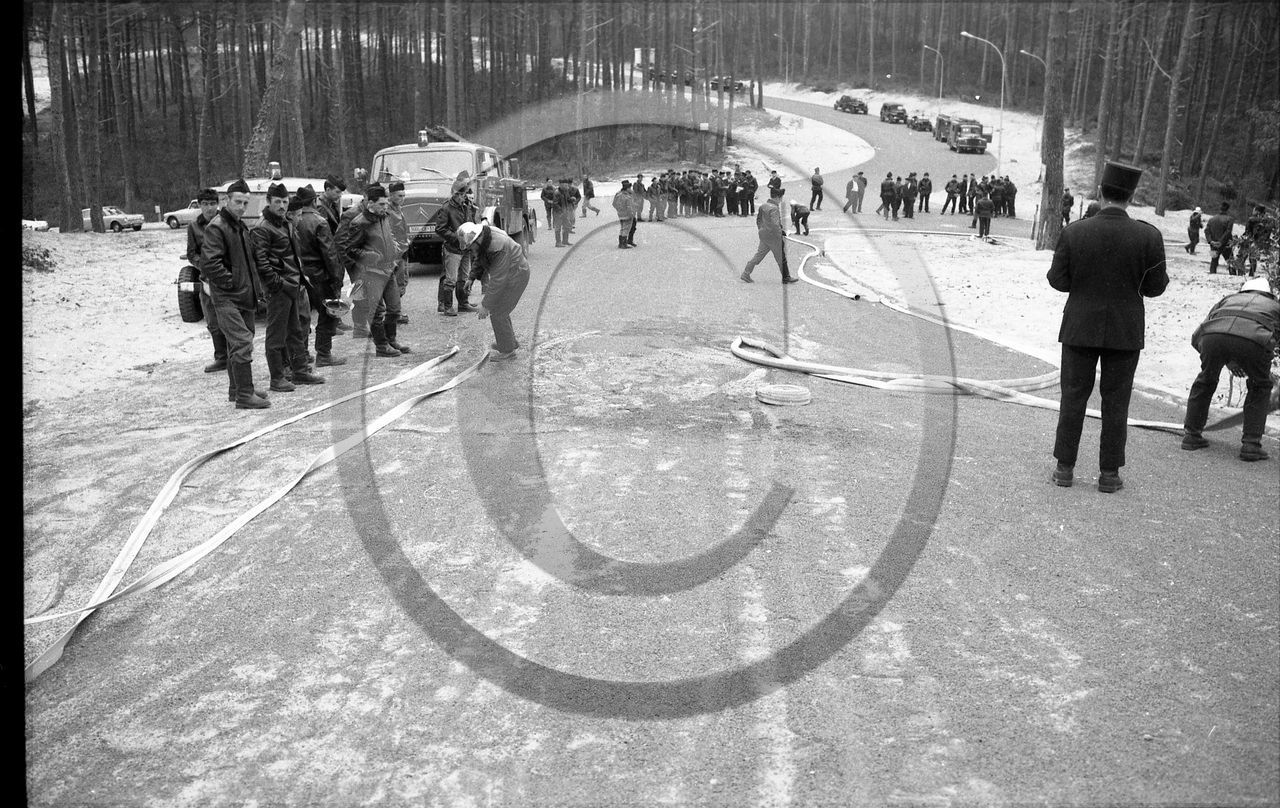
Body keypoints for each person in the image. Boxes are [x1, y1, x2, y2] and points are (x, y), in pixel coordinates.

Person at [1047, 161, 1169, 493]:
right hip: (1125, 330)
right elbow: (1156, 288)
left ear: (1100, 192)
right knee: (1116, 402)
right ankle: (1109, 474)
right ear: (1131, 196)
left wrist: (1083, 284)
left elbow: (1057, 280)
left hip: (1079, 327)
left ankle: (1064, 468)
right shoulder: (1149, 235)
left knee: (1073, 397)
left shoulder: (1075, 231)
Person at [1181, 276, 1279, 462]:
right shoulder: (1275, 306)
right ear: (1269, 294)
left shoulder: (1227, 300)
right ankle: (1251, 445)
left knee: (1205, 381)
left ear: (1243, 291)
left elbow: (1197, 336)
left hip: (1212, 337)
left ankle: (1191, 436)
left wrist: (1227, 359)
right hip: (1255, 340)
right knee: (1260, 387)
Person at [201, 179, 269, 409]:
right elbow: (210, 263)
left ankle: (238, 389)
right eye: (238, 202)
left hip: (243, 296)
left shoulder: (240, 226)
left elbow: (248, 263)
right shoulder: (217, 226)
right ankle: (244, 395)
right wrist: (231, 284)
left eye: (245, 203)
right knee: (242, 341)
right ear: (226, 201)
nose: (241, 206)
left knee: (238, 343)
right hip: (227, 296)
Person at [252, 182, 325, 392]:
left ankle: (300, 371)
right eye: (278, 202)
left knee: (295, 331)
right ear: (269, 202)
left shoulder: (284, 223)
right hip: (279, 289)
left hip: (292, 284)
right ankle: (277, 378)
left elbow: (293, 256)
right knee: (276, 336)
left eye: (285, 201)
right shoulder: (262, 228)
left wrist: (297, 280)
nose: (282, 205)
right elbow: (262, 263)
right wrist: (278, 284)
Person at [343, 184, 411, 357]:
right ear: (370, 203)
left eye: (386, 204)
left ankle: (391, 339)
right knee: (377, 311)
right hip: (372, 273)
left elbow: (389, 237)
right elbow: (351, 250)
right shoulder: (359, 223)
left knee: (395, 308)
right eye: (381, 204)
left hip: (389, 269)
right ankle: (381, 346)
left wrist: (395, 247)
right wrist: (371, 256)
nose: (385, 207)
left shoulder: (384, 217)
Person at [291, 184, 347, 367]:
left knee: (302, 317)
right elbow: (329, 254)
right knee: (327, 314)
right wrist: (336, 278)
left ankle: (303, 354)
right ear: (314, 201)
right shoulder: (319, 221)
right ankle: (323, 354)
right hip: (320, 275)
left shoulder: (292, 220)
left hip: (300, 274)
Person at [458, 221, 530, 360]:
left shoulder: (498, 247)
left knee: (498, 312)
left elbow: (498, 280)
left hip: (517, 276)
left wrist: (485, 305)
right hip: (511, 275)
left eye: (470, 247)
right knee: (500, 310)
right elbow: (480, 258)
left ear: (476, 240)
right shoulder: (483, 239)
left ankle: (508, 351)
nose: (470, 250)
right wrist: (471, 277)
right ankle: (509, 342)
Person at [186, 188, 226, 374]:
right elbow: (191, 253)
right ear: (199, 205)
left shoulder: (225, 222)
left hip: (226, 279)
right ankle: (221, 358)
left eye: (212, 204)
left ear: (217, 204)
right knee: (212, 320)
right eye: (205, 204)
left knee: (231, 319)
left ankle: (235, 356)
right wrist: (202, 265)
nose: (209, 208)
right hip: (207, 281)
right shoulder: (194, 226)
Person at [430, 175, 479, 316]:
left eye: (462, 194)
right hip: (453, 248)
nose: (460, 197)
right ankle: (447, 306)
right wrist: (457, 238)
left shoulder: (467, 207)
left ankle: (463, 304)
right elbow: (440, 228)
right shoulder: (446, 208)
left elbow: (471, 223)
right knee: (450, 279)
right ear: (453, 192)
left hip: (466, 249)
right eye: (457, 194)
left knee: (464, 278)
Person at [741, 187, 797, 284]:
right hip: (774, 237)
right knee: (781, 258)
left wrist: (761, 229)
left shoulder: (763, 206)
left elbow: (758, 220)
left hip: (764, 235)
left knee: (758, 256)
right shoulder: (774, 208)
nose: (781, 200)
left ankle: (746, 272)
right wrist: (780, 235)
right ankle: (786, 277)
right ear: (777, 197)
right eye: (781, 198)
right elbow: (775, 225)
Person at [386, 180, 410, 324]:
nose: (402, 198)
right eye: (399, 196)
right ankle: (394, 313)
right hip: (396, 253)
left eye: (403, 195)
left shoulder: (398, 209)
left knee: (402, 281)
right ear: (391, 195)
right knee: (396, 284)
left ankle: (395, 311)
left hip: (403, 250)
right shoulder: (388, 211)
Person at [1204, 201, 1235, 275]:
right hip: (1225, 244)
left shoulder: (1212, 219)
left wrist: (1210, 241)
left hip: (1213, 245)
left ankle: (1212, 275)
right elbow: (1228, 232)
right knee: (1230, 262)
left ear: (1220, 208)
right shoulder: (1230, 219)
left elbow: (1206, 231)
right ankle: (1233, 275)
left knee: (1214, 262)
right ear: (1228, 209)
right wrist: (1221, 242)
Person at [1241, 205, 1271, 276]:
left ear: (1257, 211)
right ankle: (1251, 274)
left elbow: (1247, 231)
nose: (1252, 211)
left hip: (1250, 240)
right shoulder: (1267, 221)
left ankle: (1240, 273)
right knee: (1253, 259)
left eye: (1254, 210)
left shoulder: (1251, 219)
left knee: (1243, 257)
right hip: (1259, 242)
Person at [551, 177, 580, 247]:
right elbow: (555, 203)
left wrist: (571, 199)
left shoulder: (565, 191)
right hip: (558, 213)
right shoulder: (556, 192)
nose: (567, 186)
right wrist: (561, 212)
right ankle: (558, 242)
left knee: (567, 226)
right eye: (565, 185)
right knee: (558, 228)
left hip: (565, 211)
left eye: (567, 185)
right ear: (561, 184)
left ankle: (565, 241)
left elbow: (567, 199)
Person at [612, 180, 637, 249]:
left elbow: (614, 204)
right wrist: (631, 214)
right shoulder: (627, 197)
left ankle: (622, 243)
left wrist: (620, 210)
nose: (630, 189)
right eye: (629, 188)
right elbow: (629, 207)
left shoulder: (618, 194)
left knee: (623, 229)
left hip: (621, 215)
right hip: (628, 215)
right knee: (626, 229)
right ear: (627, 188)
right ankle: (623, 243)